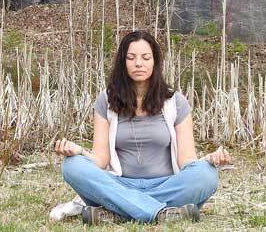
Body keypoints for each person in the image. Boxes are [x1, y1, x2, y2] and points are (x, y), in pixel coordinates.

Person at [52, 30, 232, 225]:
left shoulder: (175, 102)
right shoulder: (106, 100)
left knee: (206, 174)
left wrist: (208, 160)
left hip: (166, 185)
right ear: (123, 62)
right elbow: (100, 159)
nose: (139, 63)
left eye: (146, 58)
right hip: (119, 184)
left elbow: (187, 160)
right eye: (131, 58)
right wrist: (79, 152)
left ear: (155, 62)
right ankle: (159, 213)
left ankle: (118, 211)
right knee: (72, 166)